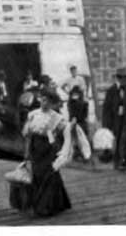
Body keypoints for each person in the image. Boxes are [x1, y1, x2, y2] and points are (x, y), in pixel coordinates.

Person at [20, 89, 72, 217]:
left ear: (52, 103)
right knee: (37, 174)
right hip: (35, 146)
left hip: (48, 147)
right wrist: (26, 151)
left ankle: (45, 207)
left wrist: (53, 137)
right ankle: (57, 203)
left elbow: (63, 132)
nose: (44, 103)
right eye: (42, 100)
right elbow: (26, 134)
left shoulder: (56, 117)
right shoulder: (33, 114)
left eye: (47, 101)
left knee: (48, 174)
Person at [102, 68, 126, 170]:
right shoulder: (111, 90)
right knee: (117, 140)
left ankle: (124, 161)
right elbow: (106, 108)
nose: (125, 80)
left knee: (125, 139)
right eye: (122, 78)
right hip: (116, 120)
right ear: (118, 78)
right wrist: (106, 124)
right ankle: (119, 161)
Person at [67, 86, 89, 162]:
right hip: (74, 122)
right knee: (76, 139)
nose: (75, 95)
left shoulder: (84, 103)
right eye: (74, 93)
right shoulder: (71, 102)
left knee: (82, 139)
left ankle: (83, 155)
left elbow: (84, 114)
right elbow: (71, 113)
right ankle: (77, 154)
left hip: (81, 122)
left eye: (76, 93)